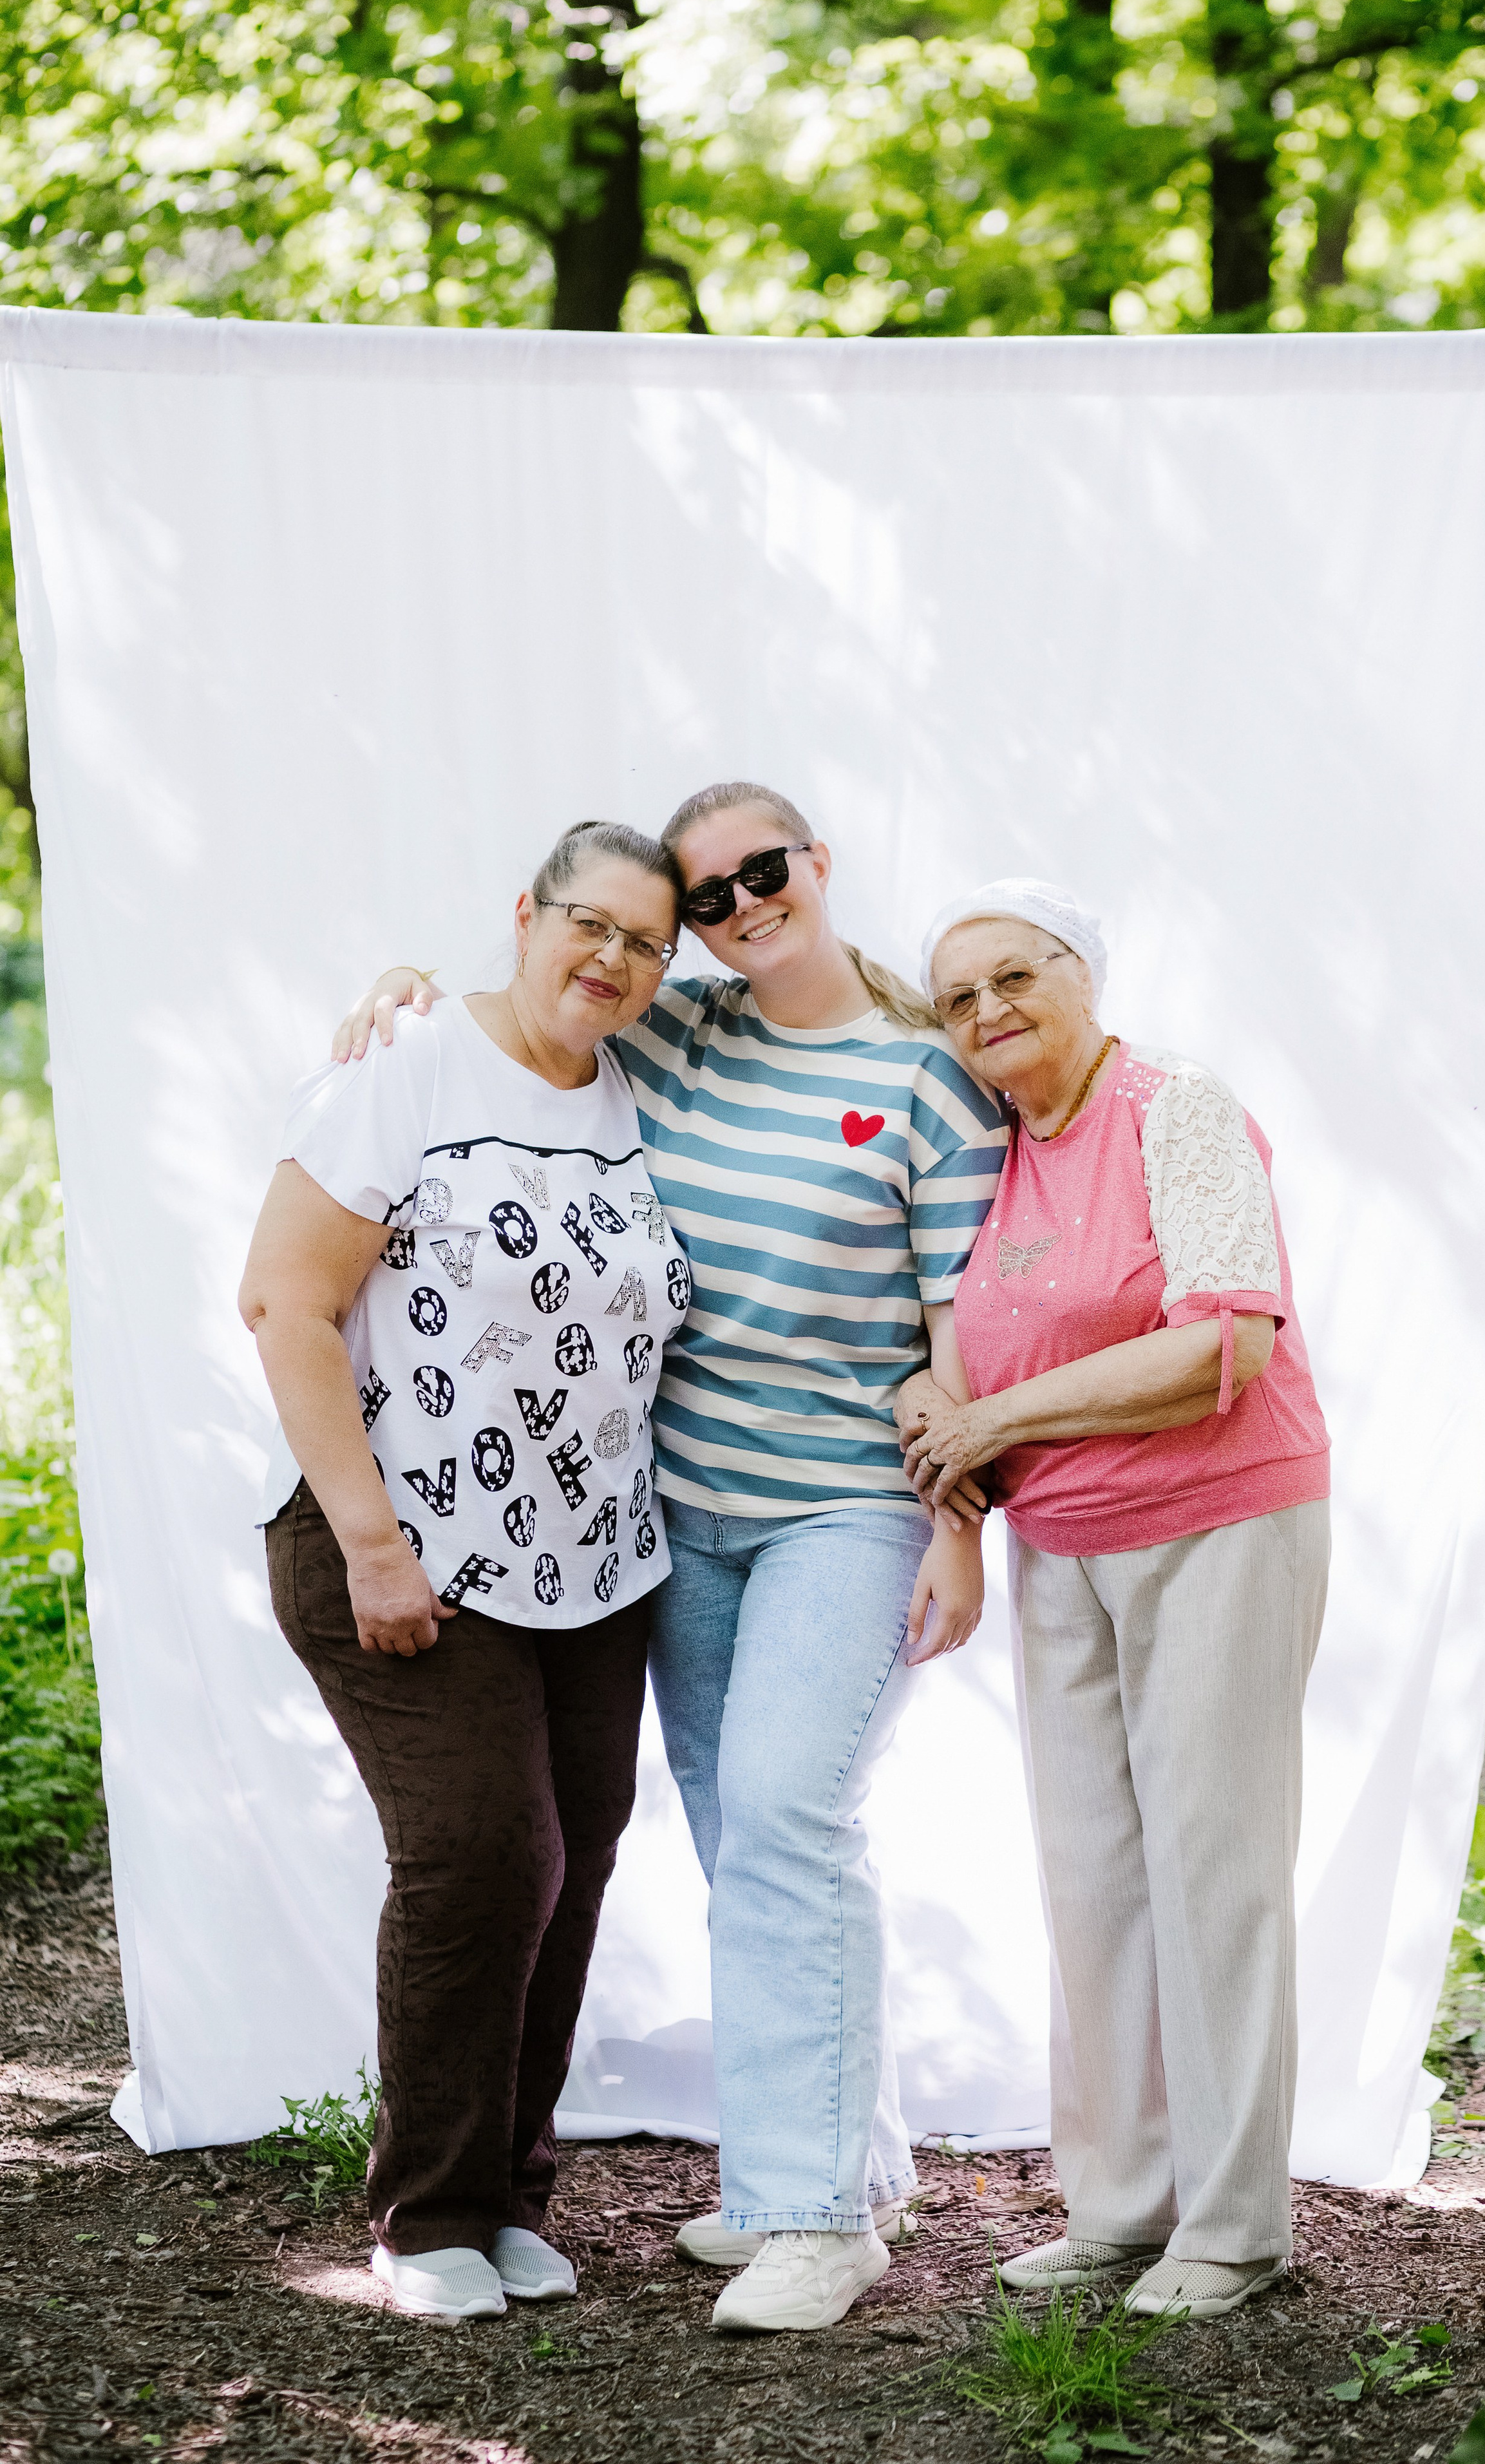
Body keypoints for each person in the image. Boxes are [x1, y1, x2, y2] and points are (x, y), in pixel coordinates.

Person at [336, 782, 1007, 2335]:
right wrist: (402, 994)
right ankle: (851, 2163)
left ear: (817, 865)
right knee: (750, 1837)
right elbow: (532, 1024)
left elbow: (962, 1332)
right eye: (705, 899)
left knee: (784, 1821)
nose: (738, 906)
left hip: (846, 1508)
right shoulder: (675, 1033)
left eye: (763, 872)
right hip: (673, 1515)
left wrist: (961, 1529)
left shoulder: (925, 1075)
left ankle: (812, 2218)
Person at [240, 820, 692, 2324]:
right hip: (402, 1548)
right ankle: (426, 2213)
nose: (610, 958)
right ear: (525, 913)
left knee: (569, 1870)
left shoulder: (639, 1084)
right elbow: (285, 1300)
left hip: (593, 1567)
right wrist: (371, 1543)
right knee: (486, 1857)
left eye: (644, 941)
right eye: (588, 923)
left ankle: (507, 2195)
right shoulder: (408, 1066)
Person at [898, 879, 1331, 2325]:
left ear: (1083, 976)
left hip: (1219, 1522)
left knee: (1214, 1868)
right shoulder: (993, 1150)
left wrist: (993, 1418)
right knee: (1089, 1875)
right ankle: (1119, 2207)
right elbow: (952, 1344)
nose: (988, 1011)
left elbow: (1222, 1343)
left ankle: (1232, 2226)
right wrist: (939, 1416)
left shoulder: (1174, 1109)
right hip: (1060, 1543)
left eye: (1016, 976)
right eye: (958, 998)